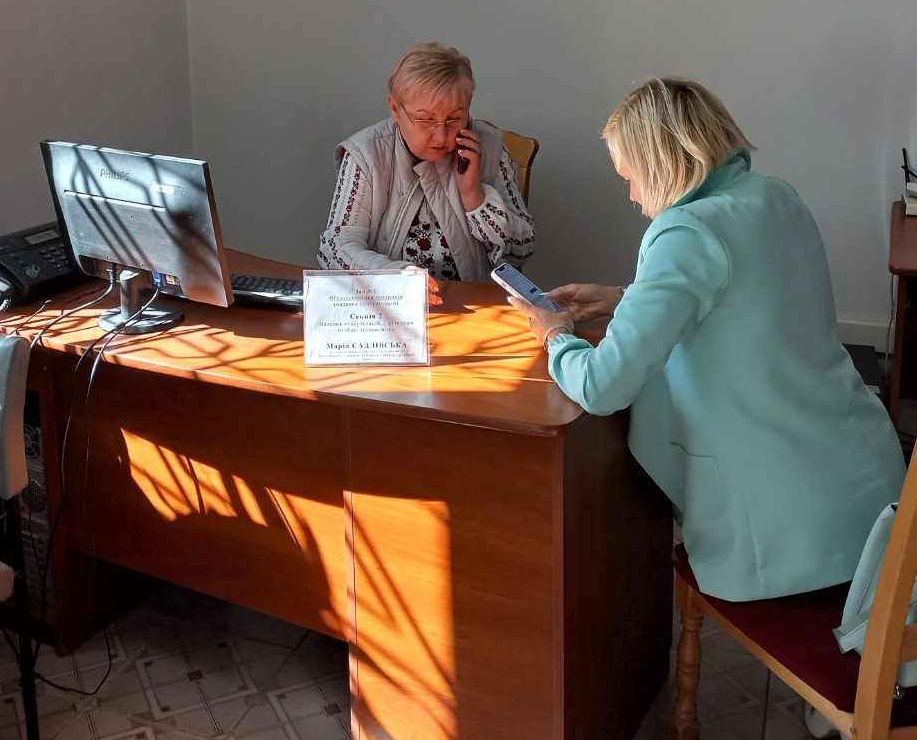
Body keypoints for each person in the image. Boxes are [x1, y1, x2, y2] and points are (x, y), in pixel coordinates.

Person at [508, 76, 906, 602]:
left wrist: (556, 335)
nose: (632, 195)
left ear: (659, 162)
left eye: (630, 177)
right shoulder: (775, 196)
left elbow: (604, 386)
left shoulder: (685, 231)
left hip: (789, 530)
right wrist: (623, 298)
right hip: (870, 489)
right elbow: (741, 304)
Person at [317, 42, 536, 303]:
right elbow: (334, 249)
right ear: (395, 109)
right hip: (391, 305)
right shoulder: (366, 154)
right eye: (425, 120)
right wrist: (395, 276)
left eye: (454, 118)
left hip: (478, 307)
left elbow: (523, 251)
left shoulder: (489, 148)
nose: (441, 136)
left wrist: (475, 197)